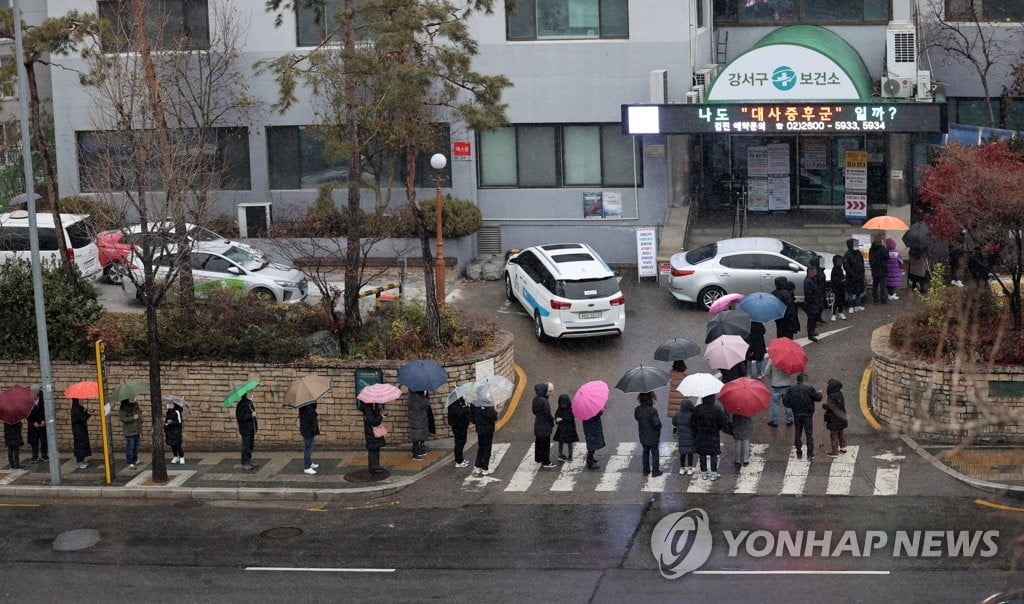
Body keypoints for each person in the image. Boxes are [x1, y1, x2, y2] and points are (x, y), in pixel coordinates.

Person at [783, 373, 822, 460]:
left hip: (797, 414)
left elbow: (785, 400)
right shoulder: (809, 388)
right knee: (809, 434)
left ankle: (799, 452)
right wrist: (819, 393)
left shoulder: (792, 389)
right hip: (807, 415)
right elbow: (818, 398)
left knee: (798, 433)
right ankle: (810, 454)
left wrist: (792, 406)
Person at [690, 394, 728, 480]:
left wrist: (697, 430)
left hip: (701, 435)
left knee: (702, 454)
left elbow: (692, 422)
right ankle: (714, 473)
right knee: (713, 454)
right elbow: (722, 422)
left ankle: (704, 473)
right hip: (713, 435)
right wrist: (717, 429)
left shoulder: (698, 409)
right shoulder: (717, 409)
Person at [634, 392, 662, 477]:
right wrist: (659, 426)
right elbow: (656, 423)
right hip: (653, 436)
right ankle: (655, 471)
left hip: (643, 434)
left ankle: (645, 470)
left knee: (645, 453)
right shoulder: (652, 410)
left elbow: (637, 418)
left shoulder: (638, 409)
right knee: (655, 453)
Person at [471, 392, 498, 476]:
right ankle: (485, 467)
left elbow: (472, 418)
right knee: (487, 448)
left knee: (481, 447)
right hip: (488, 429)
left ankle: (478, 466)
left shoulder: (474, 404)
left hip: (480, 429)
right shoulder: (488, 404)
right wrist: (495, 410)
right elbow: (493, 417)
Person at [763, 357, 795, 427]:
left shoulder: (772, 359)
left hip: (776, 385)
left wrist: (773, 379)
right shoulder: (788, 360)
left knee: (775, 404)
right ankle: (789, 420)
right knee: (788, 403)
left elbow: (766, 372)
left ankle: (775, 421)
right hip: (787, 385)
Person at [357, 400, 386, 475]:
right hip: (371, 433)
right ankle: (373, 468)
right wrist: (381, 417)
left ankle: (376, 466)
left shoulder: (369, 407)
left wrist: (377, 410)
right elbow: (373, 421)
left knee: (375, 449)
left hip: (372, 432)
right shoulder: (367, 409)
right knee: (373, 450)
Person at [532, 383, 556, 468]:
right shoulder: (544, 401)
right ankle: (546, 462)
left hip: (538, 423)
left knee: (538, 442)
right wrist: (552, 420)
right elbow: (547, 414)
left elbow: (534, 412)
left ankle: (538, 458)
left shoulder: (535, 399)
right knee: (545, 444)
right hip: (544, 425)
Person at [824, 379, 849, 457]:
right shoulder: (840, 394)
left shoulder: (831, 396)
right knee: (841, 433)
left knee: (833, 435)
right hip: (841, 417)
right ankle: (843, 447)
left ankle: (835, 451)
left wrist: (825, 407)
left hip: (833, 418)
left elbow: (830, 408)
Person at [673, 398, 697, 475]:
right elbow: (695, 424)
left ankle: (682, 468)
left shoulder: (678, 414)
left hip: (682, 436)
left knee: (682, 453)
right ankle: (690, 468)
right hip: (691, 436)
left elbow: (674, 423)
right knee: (690, 453)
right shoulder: (692, 415)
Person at [553, 394, 579, 463]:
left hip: (562, 429)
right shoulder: (571, 409)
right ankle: (569, 456)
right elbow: (571, 418)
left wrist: (559, 420)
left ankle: (560, 454)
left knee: (561, 442)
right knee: (569, 443)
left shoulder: (559, 409)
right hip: (570, 430)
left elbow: (557, 417)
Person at [447, 396, 471, 468]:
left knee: (462, 442)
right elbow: (459, 413)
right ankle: (458, 461)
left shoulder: (459, 402)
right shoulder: (453, 404)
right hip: (458, 426)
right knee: (459, 443)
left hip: (462, 425)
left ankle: (461, 458)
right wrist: (466, 409)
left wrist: (464, 404)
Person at [843, 238, 866, 312]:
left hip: (859, 276)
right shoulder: (847, 255)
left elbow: (862, 263)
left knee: (858, 292)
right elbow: (846, 267)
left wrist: (862, 273)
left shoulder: (859, 253)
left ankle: (857, 305)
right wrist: (853, 274)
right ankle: (851, 307)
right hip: (851, 278)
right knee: (851, 293)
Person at [236, 394, 258, 470]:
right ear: (245, 395)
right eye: (250, 393)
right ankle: (244, 462)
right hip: (245, 429)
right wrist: (251, 415)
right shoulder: (241, 404)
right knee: (246, 446)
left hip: (251, 428)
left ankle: (249, 460)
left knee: (250, 445)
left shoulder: (249, 403)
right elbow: (240, 416)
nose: (252, 395)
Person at [407, 390, 431, 461]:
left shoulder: (412, 396)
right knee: (416, 438)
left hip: (416, 419)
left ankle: (418, 451)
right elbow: (425, 404)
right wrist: (425, 396)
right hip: (418, 420)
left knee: (417, 437)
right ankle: (415, 454)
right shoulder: (418, 398)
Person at [118, 398, 141, 469]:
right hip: (129, 431)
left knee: (136, 447)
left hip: (136, 429)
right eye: (133, 397)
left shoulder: (136, 405)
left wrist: (141, 419)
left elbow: (139, 413)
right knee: (130, 447)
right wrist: (133, 418)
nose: (135, 398)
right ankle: (130, 462)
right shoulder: (124, 407)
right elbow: (123, 418)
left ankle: (135, 459)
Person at [803, 265, 825, 342]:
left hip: (815, 303)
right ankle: (810, 334)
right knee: (811, 320)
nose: (816, 272)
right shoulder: (808, 281)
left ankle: (812, 332)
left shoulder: (812, 279)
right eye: (814, 271)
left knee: (814, 319)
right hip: (811, 304)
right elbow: (809, 294)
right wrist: (815, 301)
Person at [27, 386, 47, 463]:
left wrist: (43, 420)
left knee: (44, 440)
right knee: (34, 441)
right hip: (33, 425)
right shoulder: (28, 399)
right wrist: (33, 422)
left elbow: (46, 410)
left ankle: (44, 455)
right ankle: (35, 456)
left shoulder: (43, 398)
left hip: (42, 424)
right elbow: (27, 413)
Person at [299, 402, 320, 475]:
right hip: (308, 431)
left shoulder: (308, 405)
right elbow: (310, 417)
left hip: (309, 430)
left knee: (310, 447)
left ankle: (309, 463)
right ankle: (307, 467)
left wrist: (314, 402)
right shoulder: (305, 407)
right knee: (308, 448)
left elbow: (313, 409)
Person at [70, 398, 92, 469]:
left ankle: (82, 461)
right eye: (81, 400)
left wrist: (85, 411)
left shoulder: (79, 408)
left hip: (82, 430)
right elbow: (80, 419)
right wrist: (88, 414)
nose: (82, 401)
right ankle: (79, 462)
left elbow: (82, 417)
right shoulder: (75, 409)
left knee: (83, 444)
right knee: (80, 445)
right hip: (78, 431)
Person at [666, 360, 688, 427]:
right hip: (682, 396)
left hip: (673, 396)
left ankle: (675, 428)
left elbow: (668, 379)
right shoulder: (685, 373)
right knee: (683, 412)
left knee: (674, 412)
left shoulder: (672, 372)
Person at [869, 232, 889, 304]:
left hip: (874, 269)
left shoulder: (871, 248)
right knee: (882, 285)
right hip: (882, 269)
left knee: (875, 284)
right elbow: (887, 257)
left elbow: (870, 259)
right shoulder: (882, 248)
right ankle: (883, 298)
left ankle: (875, 299)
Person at [164, 399, 185, 465]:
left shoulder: (177, 412)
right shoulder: (168, 412)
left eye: (170, 404)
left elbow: (179, 422)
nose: (168, 405)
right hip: (169, 431)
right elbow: (166, 420)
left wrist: (172, 422)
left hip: (176, 431)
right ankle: (175, 456)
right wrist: (166, 424)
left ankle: (181, 456)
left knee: (177, 444)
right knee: (172, 444)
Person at [830, 255, 847, 321]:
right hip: (836, 288)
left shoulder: (840, 269)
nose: (840, 262)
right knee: (835, 301)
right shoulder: (834, 270)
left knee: (841, 301)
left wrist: (843, 280)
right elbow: (834, 280)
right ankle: (833, 314)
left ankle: (840, 312)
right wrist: (840, 281)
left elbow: (842, 277)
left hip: (841, 288)